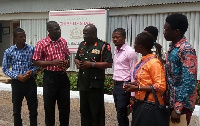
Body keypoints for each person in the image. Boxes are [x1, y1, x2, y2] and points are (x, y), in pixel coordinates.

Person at [32, 21, 70, 126]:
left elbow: (67, 55)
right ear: (49, 31)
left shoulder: (63, 41)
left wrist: (67, 62)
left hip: (63, 77)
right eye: (56, 29)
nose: (59, 31)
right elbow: (35, 61)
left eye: (59, 28)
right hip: (50, 78)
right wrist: (52, 63)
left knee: (65, 108)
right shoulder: (41, 44)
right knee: (49, 108)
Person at [124, 32, 166, 126]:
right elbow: (143, 81)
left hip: (151, 105)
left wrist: (138, 88)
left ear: (140, 46)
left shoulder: (154, 63)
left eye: (135, 43)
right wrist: (134, 84)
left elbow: (161, 86)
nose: (133, 45)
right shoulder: (142, 61)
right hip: (140, 103)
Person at [74, 24, 113, 126]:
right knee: (84, 111)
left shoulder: (103, 45)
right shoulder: (82, 45)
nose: (84, 36)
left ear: (94, 34)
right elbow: (77, 57)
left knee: (96, 112)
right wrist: (77, 62)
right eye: (83, 34)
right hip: (83, 83)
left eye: (86, 34)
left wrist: (92, 64)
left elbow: (108, 63)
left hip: (95, 84)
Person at [164, 13, 197, 126]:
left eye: (166, 29)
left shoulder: (186, 49)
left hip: (182, 106)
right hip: (171, 102)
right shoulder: (173, 48)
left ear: (176, 31)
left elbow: (189, 81)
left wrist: (178, 108)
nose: (164, 32)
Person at [2, 28, 38, 126]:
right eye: (20, 36)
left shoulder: (31, 49)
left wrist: (31, 72)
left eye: (24, 36)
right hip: (17, 83)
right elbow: (5, 69)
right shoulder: (9, 51)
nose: (23, 38)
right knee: (16, 110)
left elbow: (36, 64)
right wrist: (17, 76)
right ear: (15, 38)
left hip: (30, 82)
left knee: (33, 109)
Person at [112, 28, 137, 126]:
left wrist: (133, 95)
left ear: (124, 37)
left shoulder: (130, 52)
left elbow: (133, 72)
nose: (115, 39)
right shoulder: (116, 50)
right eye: (113, 37)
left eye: (117, 37)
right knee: (119, 111)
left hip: (125, 85)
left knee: (122, 112)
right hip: (116, 84)